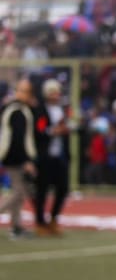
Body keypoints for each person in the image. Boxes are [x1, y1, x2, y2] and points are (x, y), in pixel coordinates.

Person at [0, 77, 39, 239]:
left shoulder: (18, 109)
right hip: (14, 156)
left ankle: (16, 227)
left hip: (12, 155)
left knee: (19, 192)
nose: (25, 94)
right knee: (18, 193)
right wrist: (26, 160)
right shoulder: (17, 111)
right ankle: (15, 226)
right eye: (22, 91)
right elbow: (18, 138)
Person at [32, 78, 72, 236]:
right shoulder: (40, 111)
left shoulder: (62, 109)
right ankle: (40, 222)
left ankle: (54, 219)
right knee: (42, 190)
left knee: (62, 189)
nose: (56, 95)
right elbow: (40, 130)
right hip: (45, 157)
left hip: (59, 156)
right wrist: (52, 131)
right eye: (53, 92)